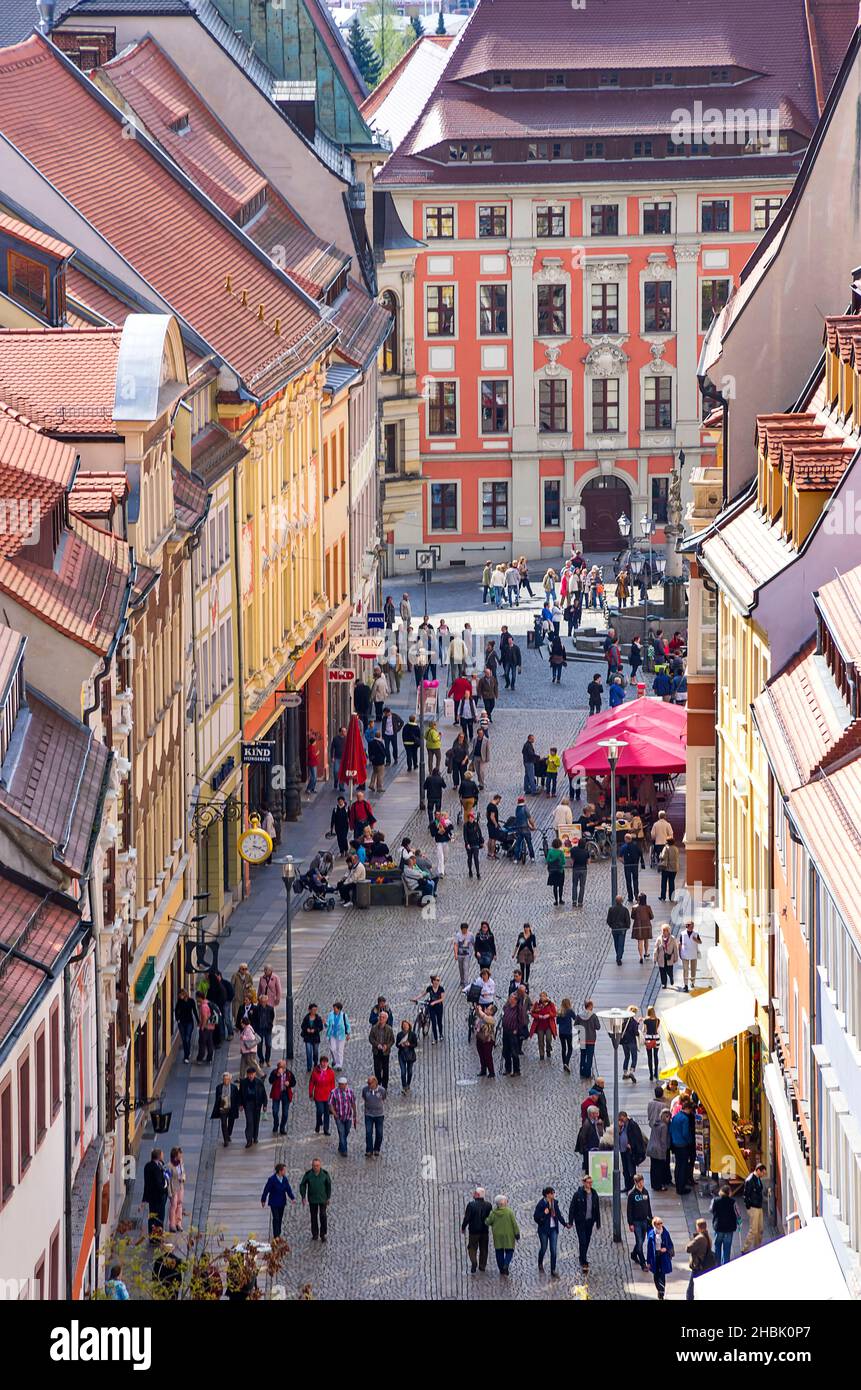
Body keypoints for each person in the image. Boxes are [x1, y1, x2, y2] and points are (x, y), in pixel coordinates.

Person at [569, 1175, 601, 1271]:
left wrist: (598, 1221)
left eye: (591, 1182)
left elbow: (597, 1209)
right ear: (584, 1183)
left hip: (590, 1221)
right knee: (582, 1241)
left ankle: (582, 1256)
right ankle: (583, 1260)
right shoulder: (578, 1194)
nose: (590, 1184)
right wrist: (571, 1221)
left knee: (587, 1240)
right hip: (580, 1222)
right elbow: (572, 1208)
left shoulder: (594, 1193)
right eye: (588, 1182)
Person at [533, 1186, 567, 1277]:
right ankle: (540, 1262)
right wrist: (544, 1213)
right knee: (544, 1248)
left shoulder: (554, 1203)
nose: (554, 1194)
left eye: (553, 1193)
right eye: (552, 1193)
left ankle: (553, 1270)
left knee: (553, 1250)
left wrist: (565, 1224)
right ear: (547, 1194)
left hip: (553, 1229)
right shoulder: (541, 1204)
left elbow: (558, 1214)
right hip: (544, 1230)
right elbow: (536, 1217)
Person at [487, 1195, 520, 1276]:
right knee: (510, 1251)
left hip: (497, 1235)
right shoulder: (509, 1212)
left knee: (499, 1251)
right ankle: (506, 1264)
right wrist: (517, 1233)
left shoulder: (493, 1213)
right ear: (503, 1203)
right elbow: (514, 1224)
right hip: (508, 1235)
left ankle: (501, 1269)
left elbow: (488, 1222)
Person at [299, 1159, 332, 1242]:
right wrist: (303, 1196)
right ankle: (315, 1234)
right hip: (313, 1199)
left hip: (322, 1199)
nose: (316, 1167)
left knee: (323, 1215)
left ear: (320, 1166)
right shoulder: (308, 1174)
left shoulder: (324, 1174)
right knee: (313, 1217)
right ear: (312, 1166)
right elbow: (302, 1185)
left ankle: (323, 1233)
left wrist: (328, 1197)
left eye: (317, 1166)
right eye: (314, 1166)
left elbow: (328, 1186)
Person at [626, 1171, 653, 1269]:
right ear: (636, 1183)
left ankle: (634, 1254)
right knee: (640, 1241)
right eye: (639, 1182)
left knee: (641, 1240)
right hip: (636, 1222)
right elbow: (629, 1210)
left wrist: (651, 1218)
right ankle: (643, 1263)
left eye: (642, 1181)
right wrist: (630, 1223)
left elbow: (648, 1207)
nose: (641, 1184)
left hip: (645, 1221)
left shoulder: (645, 1192)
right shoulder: (632, 1195)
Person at [462, 1187, 492, 1273]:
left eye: (474, 1193)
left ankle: (474, 1262)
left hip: (474, 1231)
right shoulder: (488, 1205)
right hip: (484, 1231)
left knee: (472, 1248)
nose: (473, 1194)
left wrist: (463, 1227)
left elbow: (467, 1218)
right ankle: (482, 1266)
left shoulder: (471, 1205)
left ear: (477, 1195)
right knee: (484, 1249)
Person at [261, 1163, 295, 1238]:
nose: (285, 1172)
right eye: (284, 1170)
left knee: (279, 1218)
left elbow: (288, 1189)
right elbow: (266, 1190)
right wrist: (263, 1200)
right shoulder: (272, 1180)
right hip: (274, 1202)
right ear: (280, 1171)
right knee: (276, 1218)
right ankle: (276, 1235)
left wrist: (292, 1197)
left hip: (281, 1202)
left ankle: (278, 1232)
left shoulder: (284, 1179)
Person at [142, 1149, 169, 1240]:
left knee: (152, 1216)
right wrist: (165, 1188)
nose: (163, 1156)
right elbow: (159, 1183)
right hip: (158, 1197)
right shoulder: (156, 1168)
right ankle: (157, 1237)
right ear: (159, 1156)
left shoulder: (148, 1166)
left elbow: (147, 1183)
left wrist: (145, 1198)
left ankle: (152, 1235)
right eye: (162, 1155)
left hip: (151, 1196)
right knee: (159, 1217)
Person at [329, 1075, 358, 1156]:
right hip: (339, 1116)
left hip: (348, 1116)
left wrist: (355, 1113)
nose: (342, 1086)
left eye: (344, 1084)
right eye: (341, 1084)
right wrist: (334, 1113)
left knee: (347, 1131)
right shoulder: (334, 1092)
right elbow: (330, 1104)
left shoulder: (350, 1091)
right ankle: (344, 1150)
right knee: (341, 1132)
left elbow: (353, 1103)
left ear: (346, 1084)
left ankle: (341, 1144)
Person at [711, 1185, 740, 1266]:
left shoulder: (715, 1201)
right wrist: (739, 1222)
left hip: (719, 1227)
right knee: (727, 1248)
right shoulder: (733, 1202)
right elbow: (738, 1214)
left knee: (717, 1247)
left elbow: (711, 1210)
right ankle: (725, 1266)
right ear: (729, 1193)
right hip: (729, 1228)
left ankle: (717, 1265)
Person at [646, 1217, 675, 1299]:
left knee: (662, 1275)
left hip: (663, 1257)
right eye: (658, 1224)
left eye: (661, 1223)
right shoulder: (651, 1234)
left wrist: (665, 1249)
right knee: (656, 1276)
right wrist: (648, 1262)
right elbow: (649, 1249)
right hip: (655, 1258)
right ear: (654, 1224)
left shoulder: (665, 1233)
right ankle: (659, 1290)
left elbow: (670, 1244)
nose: (660, 1225)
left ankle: (661, 1293)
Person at [686, 1218, 714, 1300]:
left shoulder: (700, 1238)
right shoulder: (707, 1236)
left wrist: (694, 1239)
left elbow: (688, 1248)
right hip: (704, 1264)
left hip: (698, 1265)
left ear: (699, 1227)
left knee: (690, 1289)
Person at [618, 1111, 647, 1191]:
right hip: (623, 1150)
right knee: (625, 1169)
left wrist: (631, 1145)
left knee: (631, 1169)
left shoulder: (632, 1125)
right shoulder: (622, 1125)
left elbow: (637, 1138)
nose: (620, 1120)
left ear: (625, 1117)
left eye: (621, 1118)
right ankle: (628, 1186)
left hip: (629, 1151)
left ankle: (633, 1186)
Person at [308, 1055, 336, 1136]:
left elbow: (332, 1084)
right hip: (318, 1095)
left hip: (327, 1096)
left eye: (325, 1062)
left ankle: (326, 1129)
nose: (324, 1064)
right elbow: (311, 1083)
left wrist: (333, 1095)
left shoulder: (331, 1072)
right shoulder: (315, 1072)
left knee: (327, 1113)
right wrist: (310, 1093)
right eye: (323, 1062)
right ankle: (318, 1123)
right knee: (320, 1111)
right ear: (320, 1063)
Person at [670, 1102, 694, 1194]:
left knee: (678, 1165)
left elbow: (671, 1130)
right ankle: (681, 1187)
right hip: (683, 1145)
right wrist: (689, 1141)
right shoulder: (685, 1119)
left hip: (675, 1144)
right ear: (687, 1108)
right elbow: (685, 1133)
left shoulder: (676, 1116)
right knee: (683, 1166)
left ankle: (677, 1184)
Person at [240, 1066, 267, 1147]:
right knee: (249, 1121)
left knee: (256, 1121)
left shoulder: (259, 1082)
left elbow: (263, 1094)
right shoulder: (243, 1082)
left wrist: (265, 1105)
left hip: (257, 1104)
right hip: (248, 1104)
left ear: (255, 1074)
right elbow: (240, 1094)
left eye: (252, 1074)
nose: (250, 1076)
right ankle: (249, 1140)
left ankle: (255, 1136)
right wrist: (240, 1104)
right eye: (249, 1074)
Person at [647, 1106, 673, 1192]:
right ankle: (658, 1185)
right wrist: (664, 1152)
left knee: (653, 1168)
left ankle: (654, 1184)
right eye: (669, 1117)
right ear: (666, 1117)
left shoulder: (656, 1123)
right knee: (659, 1168)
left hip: (652, 1148)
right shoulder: (664, 1126)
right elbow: (663, 1141)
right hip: (659, 1150)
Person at [211, 1071, 240, 1146]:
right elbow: (217, 1098)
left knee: (231, 1122)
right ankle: (225, 1140)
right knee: (223, 1123)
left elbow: (237, 1097)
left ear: (230, 1079)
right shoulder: (219, 1087)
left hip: (231, 1107)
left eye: (227, 1079)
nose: (226, 1081)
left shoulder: (234, 1087)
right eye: (224, 1079)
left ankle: (228, 1134)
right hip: (223, 1107)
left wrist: (239, 1105)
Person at [743, 1163, 767, 1251]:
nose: (763, 1175)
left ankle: (757, 1247)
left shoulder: (757, 1179)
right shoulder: (750, 1180)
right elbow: (746, 1195)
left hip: (759, 1206)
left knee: (760, 1229)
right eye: (763, 1173)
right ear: (758, 1170)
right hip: (753, 1207)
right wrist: (749, 1208)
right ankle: (745, 1249)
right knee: (753, 1230)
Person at [501, 992, 525, 1076]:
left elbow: (521, 1021)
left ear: (515, 1000)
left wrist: (517, 1030)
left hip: (513, 1032)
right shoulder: (507, 1007)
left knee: (514, 1052)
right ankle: (508, 1069)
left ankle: (516, 1070)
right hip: (506, 1031)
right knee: (506, 1051)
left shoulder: (519, 1009)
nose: (509, 999)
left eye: (511, 998)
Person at [414, 975, 445, 1042]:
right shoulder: (430, 988)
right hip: (431, 1007)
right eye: (436, 980)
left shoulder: (441, 989)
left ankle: (441, 1034)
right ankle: (435, 1038)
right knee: (433, 1022)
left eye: (438, 980)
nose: (437, 982)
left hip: (439, 1007)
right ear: (433, 981)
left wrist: (435, 1002)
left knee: (439, 1022)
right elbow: (423, 994)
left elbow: (442, 999)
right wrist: (415, 998)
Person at [269, 1060, 296, 1136]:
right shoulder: (274, 1072)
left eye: (283, 1067)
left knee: (285, 1113)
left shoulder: (289, 1073)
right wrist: (277, 1075)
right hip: (276, 1093)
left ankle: (282, 1127)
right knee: (275, 1111)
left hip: (285, 1094)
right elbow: (270, 1081)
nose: (282, 1069)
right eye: (280, 1067)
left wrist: (289, 1084)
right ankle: (276, 1124)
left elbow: (294, 1082)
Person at [369, 1010, 395, 1088]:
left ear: (386, 1019)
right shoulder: (374, 1028)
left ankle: (384, 1086)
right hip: (377, 1051)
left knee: (385, 1069)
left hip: (385, 1052)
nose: (381, 1019)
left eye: (383, 1017)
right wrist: (377, 1045)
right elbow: (371, 1038)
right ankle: (378, 1084)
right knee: (377, 1069)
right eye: (380, 1017)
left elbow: (392, 1040)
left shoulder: (389, 1029)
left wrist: (387, 1046)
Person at [575, 1000, 601, 1077]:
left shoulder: (579, 1015)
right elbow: (598, 1027)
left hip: (582, 1039)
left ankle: (582, 1071)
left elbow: (576, 1025)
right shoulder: (593, 1016)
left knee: (583, 1055)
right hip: (591, 1039)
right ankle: (587, 1073)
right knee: (589, 1057)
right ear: (590, 1006)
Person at [362, 1075, 386, 1156]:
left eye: (370, 1083)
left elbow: (383, 1098)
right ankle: (369, 1150)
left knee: (379, 1133)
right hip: (368, 1114)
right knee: (368, 1132)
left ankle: (377, 1149)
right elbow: (364, 1098)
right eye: (368, 1083)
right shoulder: (365, 1090)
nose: (369, 1085)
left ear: (375, 1082)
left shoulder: (382, 1090)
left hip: (379, 1115)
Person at [530, 991, 558, 1061]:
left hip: (548, 1025)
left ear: (546, 997)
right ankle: (541, 1055)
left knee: (548, 1039)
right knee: (540, 1040)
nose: (542, 998)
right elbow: (532, 1013)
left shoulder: (550, 1004)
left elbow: (554, 1013)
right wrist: (538, 1016)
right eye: (541, 996)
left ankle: (548, 1049)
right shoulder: (537, 1004)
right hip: (540, 1025)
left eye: (543, 996)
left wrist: (548, 1015)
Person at [575, 1105, 603, 1173]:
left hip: (594, 1149)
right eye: (596, 1113)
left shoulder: (594, 1122)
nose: (598, 1115)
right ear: (592, 1114)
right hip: (589, 1151)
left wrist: (600, 1125)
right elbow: (582, 1137)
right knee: (589, 1170)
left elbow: (600, 1133)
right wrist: (586, 1149)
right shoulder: (587, 1124)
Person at [174, 988, 198, 1064]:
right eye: (179, 995)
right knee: (184, 1039)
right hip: (181, 1023)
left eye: (180, 995)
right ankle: (186, 1055)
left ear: (184, 994)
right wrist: (177, 1020)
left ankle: (187, 1055)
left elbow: (194, 1011)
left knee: (187, 1038)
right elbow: (176, 1011)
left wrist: (198, 1021)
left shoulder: (191, 1001)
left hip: (189, 1022)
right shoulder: (179, 1002)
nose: (179, 996)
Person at [326, 1001, 351, 1072]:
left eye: (335, 1008)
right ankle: (334, 1060)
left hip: (341, 1035)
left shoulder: (344, 1016)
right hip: (332, 1034)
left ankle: (339, 1064)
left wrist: (348, 1034)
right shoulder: (331, 1014)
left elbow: (347, 1025)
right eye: (333, 1008)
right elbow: (328, 1023)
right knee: (332, 1048)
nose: (334, 1010)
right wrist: (325, 1024)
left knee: (340, 1050)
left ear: (339, 1009)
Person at [679, 919, 703, 991]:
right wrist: (679, 952)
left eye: (693, 926)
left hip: (693, 954)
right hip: (685, 954)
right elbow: (680, 943)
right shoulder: (682, 934)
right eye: (691, 926)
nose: (692, 927)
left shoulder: (696, 934)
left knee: (693, 969)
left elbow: (700, 942)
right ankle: (685, 985)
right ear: (687, 926)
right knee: (685, 969)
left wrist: (696, 940)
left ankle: (692, 982)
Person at [620, 833, 645, 903]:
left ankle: (630, 897)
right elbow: (640, 853)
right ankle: (636, 895)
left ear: (626, 839)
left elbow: (620, 857)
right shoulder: (636, 846)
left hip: (627, 866)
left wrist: (624, 863)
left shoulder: (624, 847)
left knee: (628, 882)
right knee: (635, 880)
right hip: (635, 865)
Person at [475, 1002, 497, 1078]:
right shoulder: (482, 1015)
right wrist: (477, 1008)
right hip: (480, 1038)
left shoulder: (491, 1019)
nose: (486, 1009)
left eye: (488, 1009)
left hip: (488, 1040)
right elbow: (478, 1014)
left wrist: (481, 1011)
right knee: (481, 1055)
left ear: (491, 1012)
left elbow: (484, 1017)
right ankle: (483, 1070)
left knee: (488, 1056)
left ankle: (491, 1071)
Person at [395, 1019, 418, 1093]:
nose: (405, 1026)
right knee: (403, 1072)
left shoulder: (412, 1034)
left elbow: (415, 1044)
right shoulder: (399, 1035)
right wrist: (401, 1045)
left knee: (410, 1072)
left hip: (410, 1055)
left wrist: (409, 1045)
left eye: (406, 1025)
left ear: (409, 1026)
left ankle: (408, 1084)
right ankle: (404, 1086)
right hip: (402, 1055)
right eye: (404, 1025)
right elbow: (397, 1045)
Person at [607, 895, 630, 965]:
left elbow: (608, 920)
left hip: (614, 929)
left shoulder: (611, 909)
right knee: (621, 944)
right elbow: (627, 920)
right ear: (622, 901)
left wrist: (612, 926)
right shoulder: (625, 910)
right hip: (622, 929)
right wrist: (627, 927)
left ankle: (618, 955)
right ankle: (619, 957)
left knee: (616, 943)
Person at [631, 893, 654, 964]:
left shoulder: (635, 908)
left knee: (640, 941)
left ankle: (640, 956)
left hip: (638, 925)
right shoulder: (648, 907)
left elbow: (632, 917)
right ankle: (646, 953)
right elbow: (652, 916)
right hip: (646, 925)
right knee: (646, 939)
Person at [195, 990, 217, 1064]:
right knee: (210, 1043)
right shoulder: (208, 1002)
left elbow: (205, 1018)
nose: (196, 999)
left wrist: (202, 1027)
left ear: (199, 998)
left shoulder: (203, 1006)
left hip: (206, 1027)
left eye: (197, 998)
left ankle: (200, 1059)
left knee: (202, 1043)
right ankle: (209, 1058)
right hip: (211, 1026)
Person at [300, 1004, 324, 1072]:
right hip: (308, 1037)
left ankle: (315, 1063)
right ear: (309, 1010)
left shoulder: (318, 1018)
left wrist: (315, 1030)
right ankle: (309, 1066)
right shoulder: (306, 1018)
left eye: (315, 1010)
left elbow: (321, 1027)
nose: (314, 1011)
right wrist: (306, 1029)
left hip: (316, 1038)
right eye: (313, 1010)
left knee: (315, 1052)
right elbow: (302, 1026)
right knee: (308, 1052)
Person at [452, 921, 475, 988]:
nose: (464, 931)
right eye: (463, 929)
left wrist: (476, 951)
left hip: (467, 955)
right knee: (461, 968)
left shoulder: (470, 935)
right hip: (460, 955)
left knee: (466, 968)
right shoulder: (458, 935)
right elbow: (456, 945)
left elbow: (473, 943)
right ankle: (462, 980)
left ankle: (466, 983)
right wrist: (455, 954)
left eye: (465, 929)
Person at [513, 796, 536, 860]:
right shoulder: (525, 808)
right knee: (529, 843)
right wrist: (533, 826)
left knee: (518, 844)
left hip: (519, 828)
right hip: (525, 829)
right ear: (524, 801)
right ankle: (532, 857)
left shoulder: (517, 809)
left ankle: (516, 858)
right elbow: (529, 818)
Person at [621, 1006, 640, 1082]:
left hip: (624, 1042)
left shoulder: (623, 1020)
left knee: (626, 1057)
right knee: (634, 1057)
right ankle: (631, 1071)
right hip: (632, 1041)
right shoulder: (634, 1022)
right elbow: (636, 1033)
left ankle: (625, 1073)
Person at [557, 998, 576, 1073]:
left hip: (561, 1032)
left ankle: (564, 1063)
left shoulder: (560, 1012)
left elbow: (557, 1022)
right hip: (568, 1032)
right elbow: (575, 1018)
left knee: (563, 1048)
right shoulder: (570, 1011)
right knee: (570, 1048)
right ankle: (566, 1063)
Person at [570, 836, 589, 908]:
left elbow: (572, 861)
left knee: (574, 885)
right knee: (582, 886)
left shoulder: (573, 850)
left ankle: (574, 900)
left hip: (576, 869)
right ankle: (580, 901)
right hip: (583, 869)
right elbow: (588, 862)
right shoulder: (586, 852)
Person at [659, 832, 680, 901]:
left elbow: (663, 857)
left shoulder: (666, 848)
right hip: (674, 868)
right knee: (671, 883)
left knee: (664, 883)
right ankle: (671, 897)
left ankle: (663, 896)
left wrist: (660, 855)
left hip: (666, 868)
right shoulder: (676, 849)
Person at [546, 836, 566, 905]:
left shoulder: (550, 852)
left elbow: (547, 860)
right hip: (560, 871)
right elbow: (563, 862)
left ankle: (556, 901)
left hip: (552, 871)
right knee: (560, 886)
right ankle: (560, 899)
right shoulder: (561, 852)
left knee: (555, 886)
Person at [643, 1006, 661, 1080]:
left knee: (649, 1057)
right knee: (656, 1055)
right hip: (656, 1038)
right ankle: (656, 1073)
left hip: (648, 1038)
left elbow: (644, 1030)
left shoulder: (646, 1020)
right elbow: (657, 1029)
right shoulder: (657, 1020)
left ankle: (651, 1075)